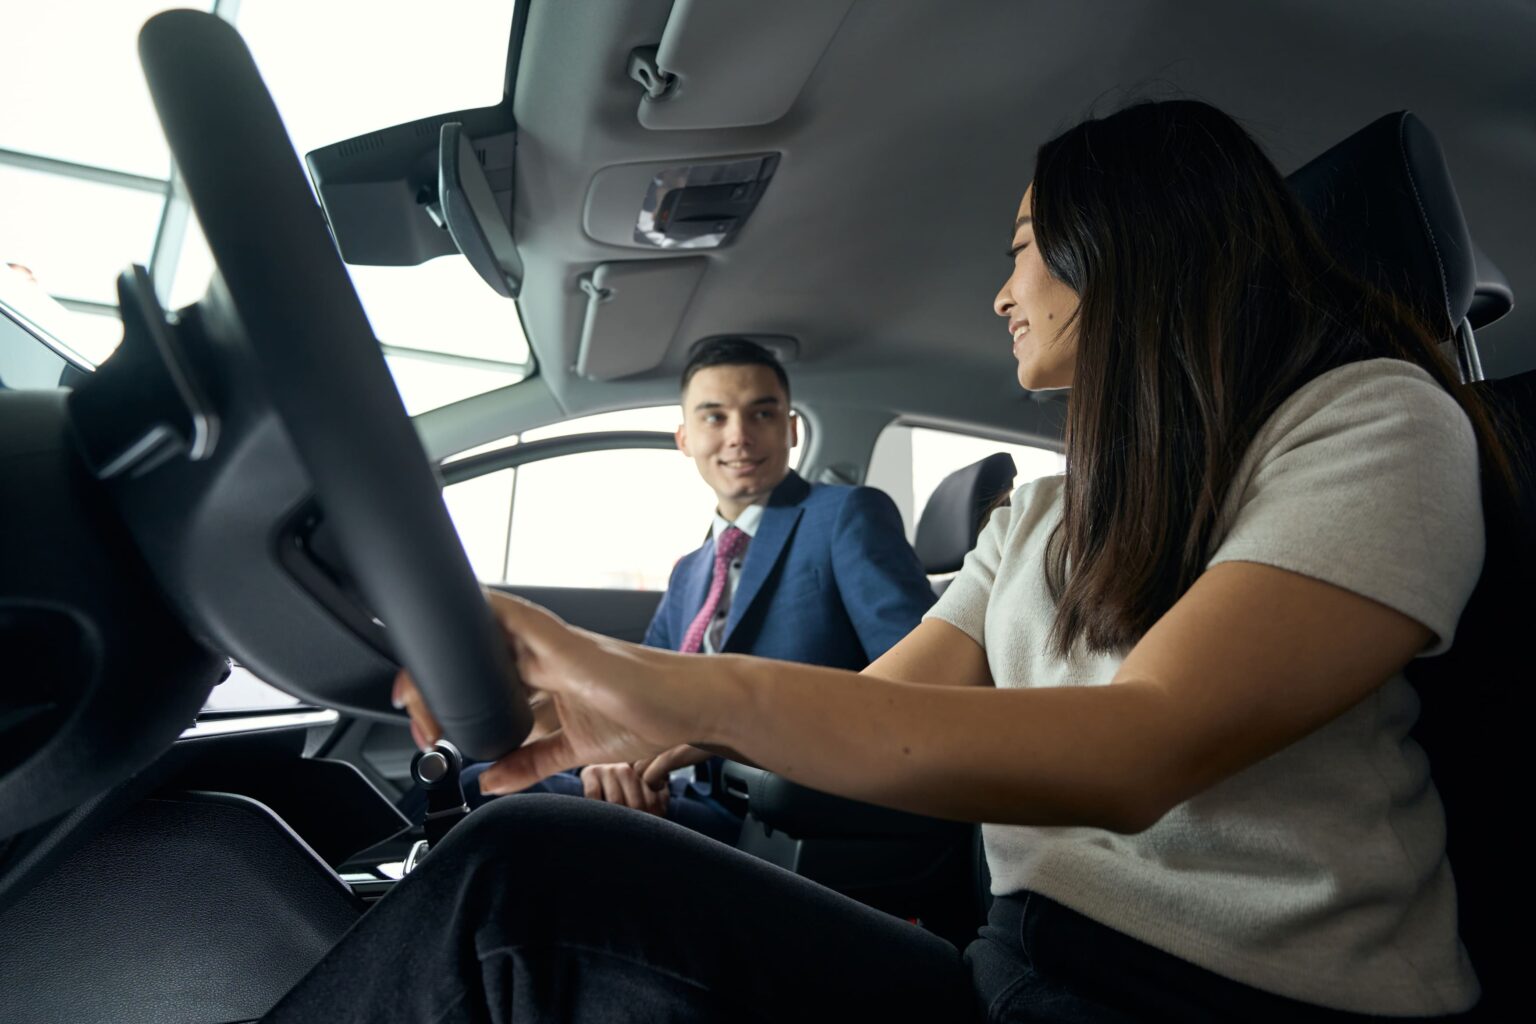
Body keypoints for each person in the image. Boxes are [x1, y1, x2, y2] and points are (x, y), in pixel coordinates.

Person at [278, 100, 1517, 1022]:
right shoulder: (1038, 516)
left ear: (1124, 244)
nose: (1000, 292)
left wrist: (673, 686)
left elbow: (1149, 745)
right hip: (1019, 968)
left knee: (523, 902)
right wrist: (629, 722)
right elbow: (886, 707)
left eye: (1026, 245)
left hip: (1243, 1001)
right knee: (524, 866)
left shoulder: (1370, 422)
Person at [453, 337, 937, 843]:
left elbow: (918, 689)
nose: (739, 437)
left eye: (762, 415)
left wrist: (732, 728)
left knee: (483, 794)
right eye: (714, 417)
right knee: (471, 765)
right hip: (675, 790)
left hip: (774, 812)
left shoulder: (845, 515)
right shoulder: (691, 569)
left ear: (791, 430)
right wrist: (611, 760)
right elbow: (641, 692)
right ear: (684, 438)